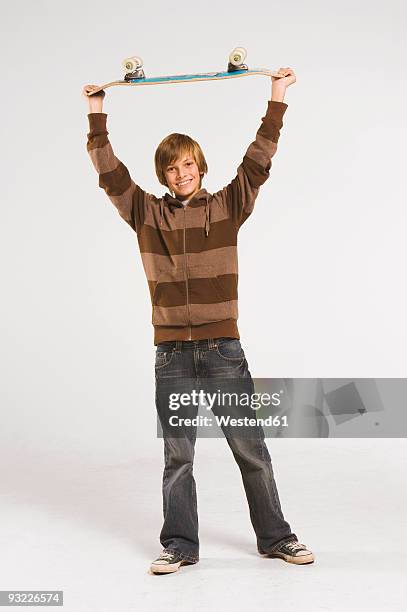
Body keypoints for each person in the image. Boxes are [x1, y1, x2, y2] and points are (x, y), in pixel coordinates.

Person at [83, 66, 315, 574]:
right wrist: (97, 113)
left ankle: (276, 537)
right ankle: (181, 545)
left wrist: (276, 97)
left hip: (223, 351)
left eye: (188, 165)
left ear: (200, 167)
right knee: (178, 459)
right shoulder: (146, 213)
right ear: (163, 175)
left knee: (251, 451)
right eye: (171, 169)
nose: (181, 174)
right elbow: (110, 173)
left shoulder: (230, 204)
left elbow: (258, 161)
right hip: (172, 355)